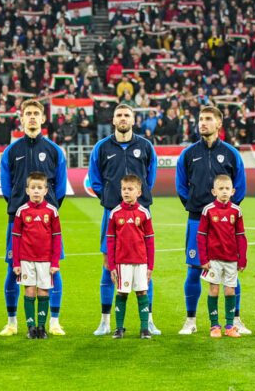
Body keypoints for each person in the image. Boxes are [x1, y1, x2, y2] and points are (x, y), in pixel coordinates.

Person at [175, 105, 248, 335]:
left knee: (230, 272)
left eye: (208, 119)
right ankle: (190, 320)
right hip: (197, 220)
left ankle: (234, 320)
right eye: (200, 119)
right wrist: (196, 206)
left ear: (219, 124)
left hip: (225, 224)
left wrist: (225, 211)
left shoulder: (231, 154)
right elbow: (181, 186)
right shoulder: (188, 154)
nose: (202, 123)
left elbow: (240, 186)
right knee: (194, 270)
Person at [88, 103, 159, 336]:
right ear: (113, 120)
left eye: (127, 115)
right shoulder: (101, 147)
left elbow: (151, 176)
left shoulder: (146, 146)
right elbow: (94, 179)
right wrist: (109, 198)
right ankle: (105, 320)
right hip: (112, 214)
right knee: (109, 265)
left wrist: (140, 197)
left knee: (144, 267)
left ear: (133, 119)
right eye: (119, 115)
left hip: (140, 215)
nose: (123, 118)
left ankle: (147, 320)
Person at [0, 100, 68, 337]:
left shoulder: (54, 150)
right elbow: (7, 188)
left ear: (43, 118)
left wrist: (48, 210)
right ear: (21, 118)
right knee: (13, 269)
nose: (32, 117)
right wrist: (20, 207)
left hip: (47, 222)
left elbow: (60, 187)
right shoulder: (11, 151)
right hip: (17, 219)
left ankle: (54, 322)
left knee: (52, 270)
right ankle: (12, 322)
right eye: (28, 113)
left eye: (36, 114)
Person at [11, 172, 62, 340]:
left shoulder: (52, 211)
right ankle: (30, 327)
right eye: (33, 188)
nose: (36, 191)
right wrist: (16, 262)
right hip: (26, 260)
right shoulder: (21, 211)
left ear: (46, 191)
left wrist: (55, 261)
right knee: (30, 291)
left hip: (46, 260)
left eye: (40, 188)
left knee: (43, 292)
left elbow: (57, 237)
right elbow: (16, 239)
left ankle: (42, 327)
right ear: (27, 190)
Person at [196, 174, 247, 338]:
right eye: (221, 189)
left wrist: (242, 258)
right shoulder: (208, 210)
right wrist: (203, 259)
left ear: (232, 191)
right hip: (213, 259)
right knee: (214, 288)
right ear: (214, 191)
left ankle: (230, 325)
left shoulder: (236, 211)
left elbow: (241, 236)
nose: (224, 192)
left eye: (227, 189)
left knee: (230, 290)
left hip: (231, 259)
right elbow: (201, 235)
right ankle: (214, 325)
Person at [105, 174, 154, 340]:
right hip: (122, 263)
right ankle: (119, 328)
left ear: (138, 192)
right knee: (122, 293)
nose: (126, 192)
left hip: (140, 262)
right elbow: (110, 242)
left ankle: (144, 328)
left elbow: (150, 242)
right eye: (124, 189)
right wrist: (112, 266)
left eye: (130, 189)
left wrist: (150, 266)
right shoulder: (115, 213)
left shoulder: (144, 213)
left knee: (142, 292)